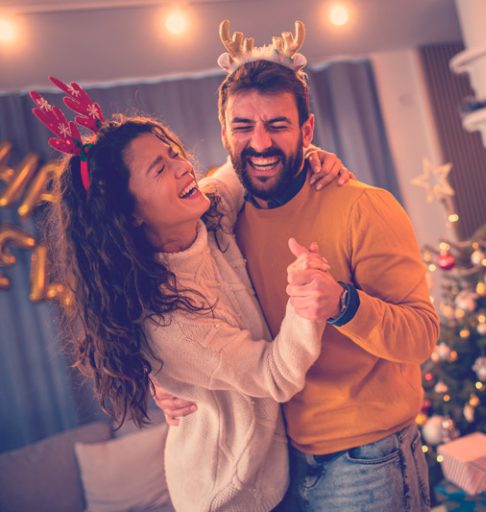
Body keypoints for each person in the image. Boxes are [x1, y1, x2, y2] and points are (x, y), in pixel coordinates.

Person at [32, 77, 353, 512]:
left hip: (279, 472)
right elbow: (274, 375)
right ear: (129, 214)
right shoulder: (167, 319)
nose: (184, 167)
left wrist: (313, 156)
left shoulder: (208, 214)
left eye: (174, 154)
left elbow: (250, 165)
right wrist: (306, 300)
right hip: (230, 497)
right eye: (159, 169)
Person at [155, 20, 439, 511]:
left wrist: (344, 304)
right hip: (280, 467)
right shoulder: (222, 218)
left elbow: (422, 336)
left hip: (366, 459)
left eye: (278, 125)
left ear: (306, 130)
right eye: (244, 126)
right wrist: (170, 383)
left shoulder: (362, 206)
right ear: (224, 132)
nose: (260, 143)